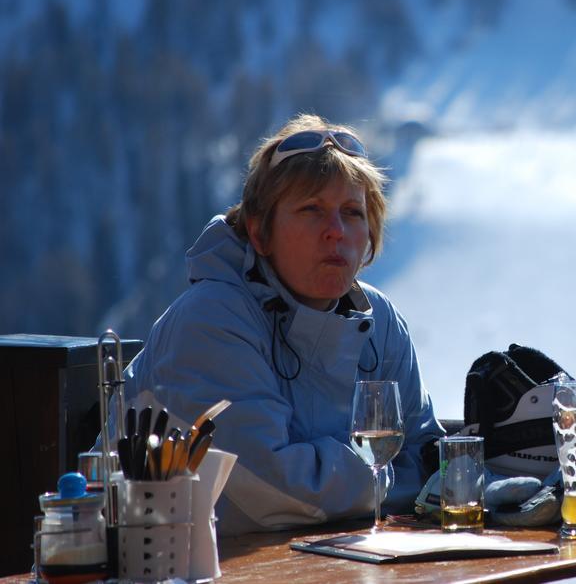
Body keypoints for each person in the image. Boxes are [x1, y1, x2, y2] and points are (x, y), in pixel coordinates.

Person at [108, 114, 445, 534]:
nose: (336, 231)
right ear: (260, 232)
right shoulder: (212, 319)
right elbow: (280, 491)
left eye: (352, 213)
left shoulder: (380, 322)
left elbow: (431, 463)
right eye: (312, 210)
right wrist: (382, 475)